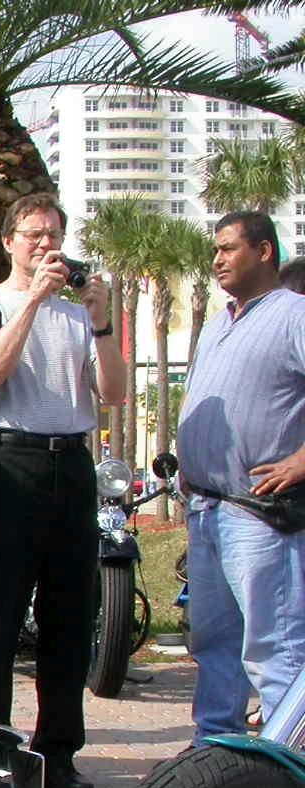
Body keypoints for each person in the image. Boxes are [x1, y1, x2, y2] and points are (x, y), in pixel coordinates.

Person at [0, 192, 125, 788]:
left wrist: (100, 322)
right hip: (10, 463)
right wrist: (32, 301)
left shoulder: (76, 315)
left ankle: (59, 750)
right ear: (9, 242)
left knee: (70, 616)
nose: (46, 244)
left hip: (71, 463)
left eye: (54, 234)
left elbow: (113, 392)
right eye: (33, 234)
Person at [178, 211, 305, 738]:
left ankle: (289, 769)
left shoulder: (294, 314)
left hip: (259, 518)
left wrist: (301, 461)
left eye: (229, 248)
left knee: (275, 652)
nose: (218, 259)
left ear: (264, 251)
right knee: (214, 649)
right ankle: (216, 761)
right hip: (207, 512)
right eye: (215, 250)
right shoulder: (217, 323)